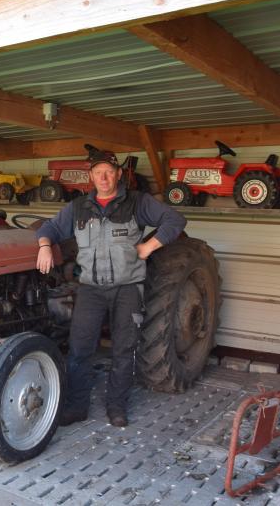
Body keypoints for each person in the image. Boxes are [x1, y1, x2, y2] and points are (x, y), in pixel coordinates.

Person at [35, 149, 186, 427]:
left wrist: (151, 245)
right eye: (97, 172)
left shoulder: (137, 203)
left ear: (118, 174)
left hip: (127, 288)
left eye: (108, 172)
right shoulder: (78, 207)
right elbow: (49, 228)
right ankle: (77, 406)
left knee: (123, 349)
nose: (103, 178)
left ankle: (116, 407)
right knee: (80, 349)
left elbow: (175, 220)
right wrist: (45, 246)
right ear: (91, 176)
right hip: (91, 290)